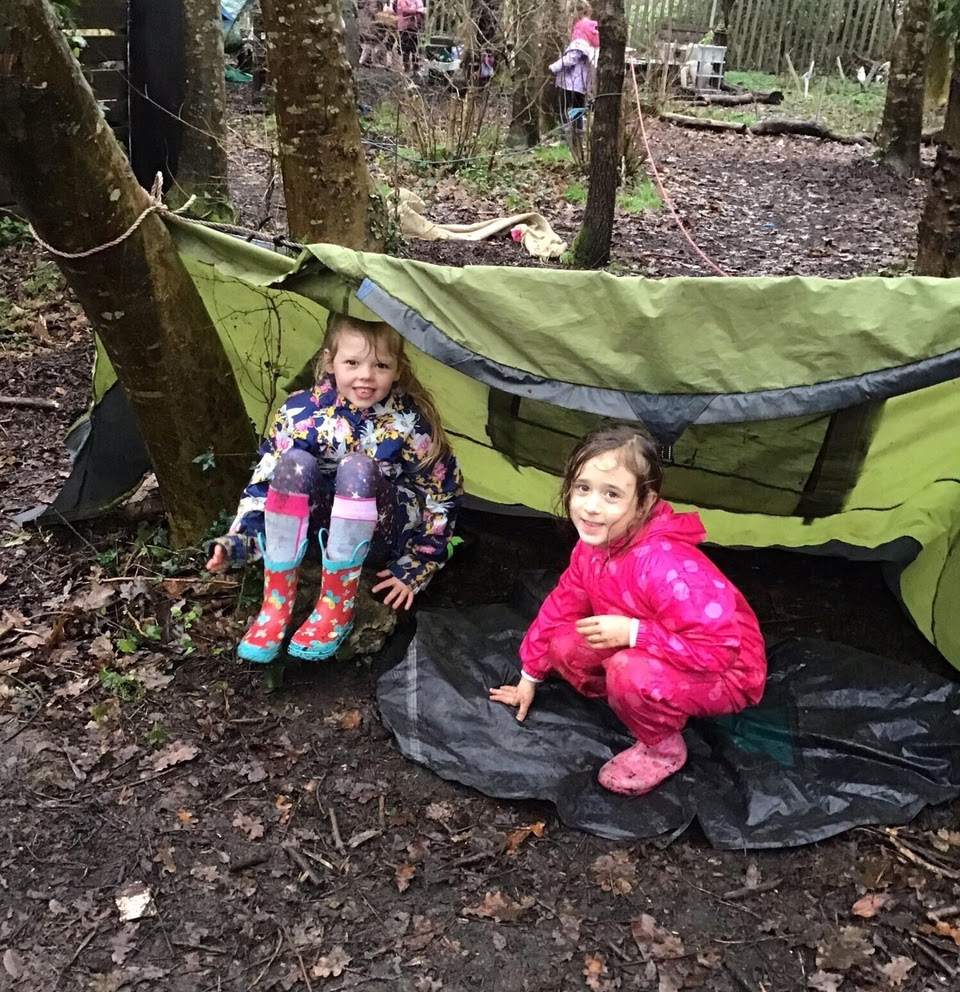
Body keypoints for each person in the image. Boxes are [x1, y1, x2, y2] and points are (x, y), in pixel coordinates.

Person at [489, 423, 767, 797]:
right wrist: (529, 676)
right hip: (657, 644)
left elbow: (718, 652)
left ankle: (662, 747)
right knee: (564, 645)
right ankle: (637, 700)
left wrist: (634, 633)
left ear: (645, 502)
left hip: (728, 672)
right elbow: (562, 605)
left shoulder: (667, 567)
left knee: (627, 671)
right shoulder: (594, 548)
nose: (591, 506)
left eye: (612, 495)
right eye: (583, 488)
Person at [205, 315, 464, 664]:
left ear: (398, 369)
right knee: (294, 462)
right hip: (309, 536)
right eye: (352, 363)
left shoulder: (409, 422)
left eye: (381, 365)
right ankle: (276, 605)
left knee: (357, 468)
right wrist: (242, 541)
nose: (366, 376)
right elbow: (265, 482)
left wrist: (418, 562)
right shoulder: (299, 412)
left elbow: (440, 491)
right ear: (330, 361)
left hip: (375, 539)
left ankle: (336, 606)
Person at [548, 17, 600, 129]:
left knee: (564, 107)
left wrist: (554, 67)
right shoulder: (592, 48)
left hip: (570, 84)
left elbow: (570, 59)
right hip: (582, 86)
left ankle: (565, 130)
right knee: (578, 108)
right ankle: (578, 129)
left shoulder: (579, 44)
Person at [395, 0, 425, 74]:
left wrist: (422, 14)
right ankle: (407, 69)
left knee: (415, 49)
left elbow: (421, 10)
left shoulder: (418, 1)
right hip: (405, 27)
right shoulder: (402, 1)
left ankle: (416, 69)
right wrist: (417, 11)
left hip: (415, 28)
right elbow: (405, 11)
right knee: (406, 49)